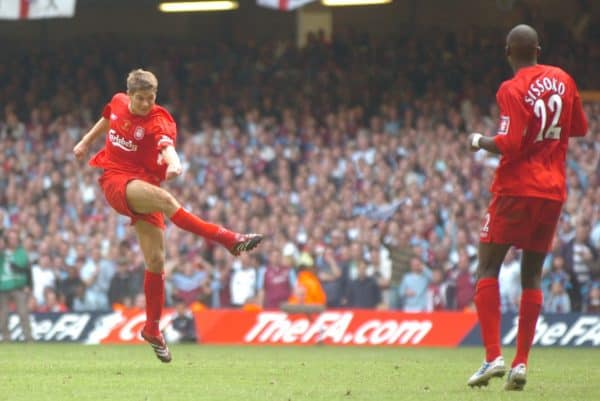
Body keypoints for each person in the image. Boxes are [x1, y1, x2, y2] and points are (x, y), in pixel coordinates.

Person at [73, 69, 263, 363]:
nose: (146, 103)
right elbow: (107, 117)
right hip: (115, 181)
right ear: (129, 94)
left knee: (156, 261)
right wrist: (86, 142)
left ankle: (152, 329)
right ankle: (227, 239)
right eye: (141, 98)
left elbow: (167, 146)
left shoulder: (158, 120)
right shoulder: (118, 102)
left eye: (151, 98)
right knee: (165, 200)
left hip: (143, 182)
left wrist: (175, 164)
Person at [466, 25, 588, 390]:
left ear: (508, 52)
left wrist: (479, 140)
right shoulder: (563, 79)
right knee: (531, 274)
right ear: (539, 49)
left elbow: (511, 143)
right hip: (552, 190)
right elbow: (578, 128)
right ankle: (520, 364)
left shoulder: (511, 88)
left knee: (487, 265)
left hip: (516, 189)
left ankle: (492, 357)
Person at [0, 230, 34, 342]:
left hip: (18, 287)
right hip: (3, 287)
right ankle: (6, 338)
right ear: (6, 240)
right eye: (10, 238)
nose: (13, 240)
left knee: (23, 312)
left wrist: (29, 285)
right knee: (3, 315)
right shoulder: (2, 252)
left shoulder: (21, 252)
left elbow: (27, 270)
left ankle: (28, 337)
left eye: (15, 238)